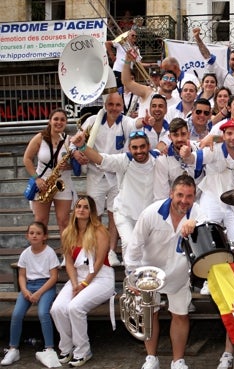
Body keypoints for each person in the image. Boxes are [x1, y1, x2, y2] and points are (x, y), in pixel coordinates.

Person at [125, 175, 202, 369]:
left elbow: (208, 231)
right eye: (180, 195)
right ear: (171, 194)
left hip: (178, 273)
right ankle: (151, 360)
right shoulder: (151, 213)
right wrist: (133, 278)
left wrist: (197, 223)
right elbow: (134, 247)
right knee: (150, 315)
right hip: (150, 272)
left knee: (181, 315)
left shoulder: (198, 213)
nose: (184, 201)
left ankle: (178, 363)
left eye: (189, 196)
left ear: (194, 197)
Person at [71, 129, 157, 261]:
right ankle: (130, 278)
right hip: (125, 213)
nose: (139, 151)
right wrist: (82, 146)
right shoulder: (123, 160)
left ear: (148, 146)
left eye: (142, 147)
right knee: (129, 244)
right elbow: (100, 159)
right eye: (135, 147)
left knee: (147, 252)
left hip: (147, 215)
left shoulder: (158, 159)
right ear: (129, 149)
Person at [50, 196, 116, 367]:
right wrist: (74, 284)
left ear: (91, 211)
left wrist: (84, 284)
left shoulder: (100, 231)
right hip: (77, 277)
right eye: (78, 206)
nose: (81, 209)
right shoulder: (67, 232)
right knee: (57, 309)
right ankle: (66, 348)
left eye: (85, 207)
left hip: (101, 277)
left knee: (75, 307)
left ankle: (83, 350)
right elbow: (69, 263)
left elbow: (99, 262)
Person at [79, 93, 134, 265]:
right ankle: (92, 249)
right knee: (93, 214)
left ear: (122, 106)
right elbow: (77, 141)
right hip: (95, 174)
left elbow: (138, 130)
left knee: (113, 214)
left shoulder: (127, 123)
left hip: (116, 176)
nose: (114, 108)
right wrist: (77, 153)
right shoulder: (92, 121)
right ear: (105, 105)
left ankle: (110, 251)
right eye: (111, 104)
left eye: (118, 105)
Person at [1, 222, 59, 366]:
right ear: (27, 236)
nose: (34, 236)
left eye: (38, 233)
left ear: (44, 236)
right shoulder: (25, 253)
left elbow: (53, 277)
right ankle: (13, 349)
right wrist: (25, 290)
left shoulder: (49, 252)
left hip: (45, 286)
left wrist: (39, 293)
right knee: (16, 314)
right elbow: (21, 275)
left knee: (43, 313)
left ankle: (49, 348)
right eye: (32, 233)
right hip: (28, 287)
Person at [23, 109, 78, 237]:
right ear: (50, 121)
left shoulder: (69, 140)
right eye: (56, 119)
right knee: (40, 222)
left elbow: (76, 165)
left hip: (62, 183)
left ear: (66, 122)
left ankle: (66, 255)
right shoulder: (40, 138)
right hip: (42, 184)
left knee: (64, 222)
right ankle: (40, 254)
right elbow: (26, 159)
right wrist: (37, 179)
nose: (59, 122)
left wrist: (68, 166)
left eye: (62, 120)